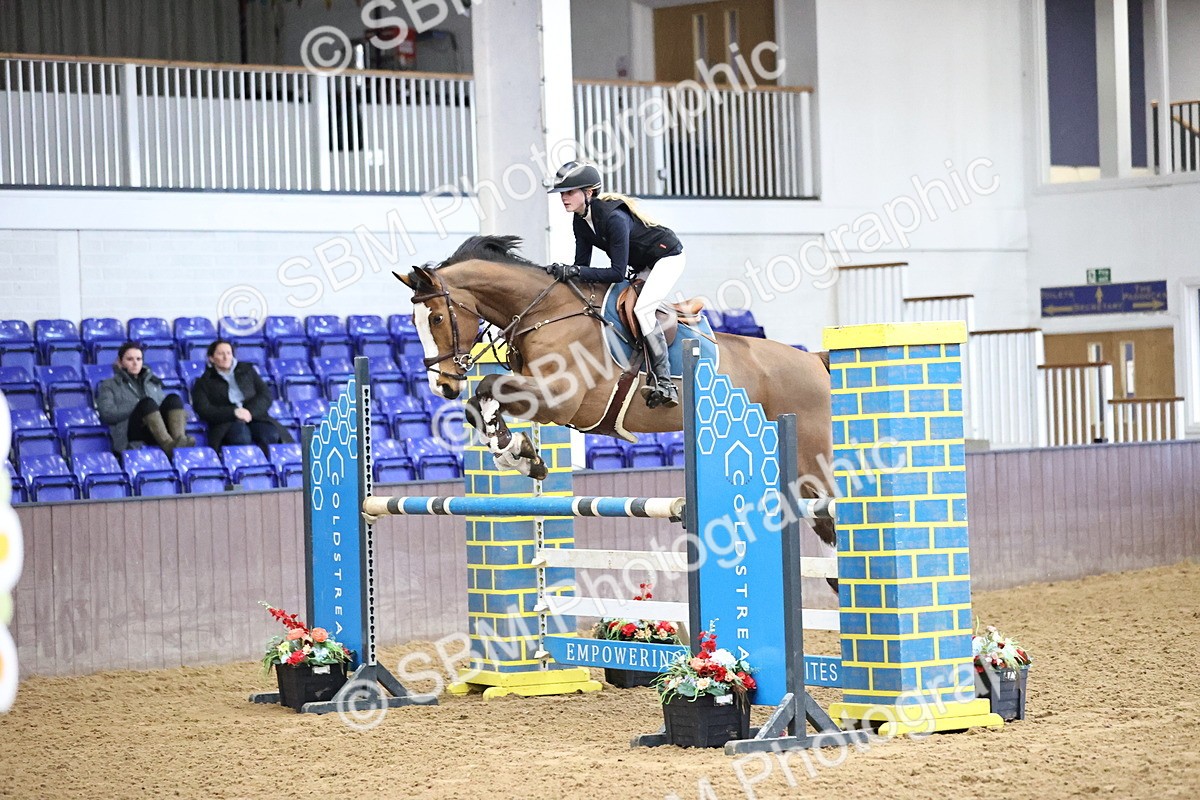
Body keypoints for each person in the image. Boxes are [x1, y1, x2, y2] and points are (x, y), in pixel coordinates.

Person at [546, 160, 684, 408]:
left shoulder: (614, 218)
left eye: (569, 192)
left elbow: (617, 272)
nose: (563, 198)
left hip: (667, 258)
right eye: (562, 193)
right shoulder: (580, 221)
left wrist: (574, 270)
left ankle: (666, 383)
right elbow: (582, 266)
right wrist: (562, 275)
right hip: (642, 265)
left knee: (643, 310)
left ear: (588, 193)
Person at [191, 339, 292, 453]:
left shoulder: (247, 371)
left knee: (271, 434)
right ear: (211, 358)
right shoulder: (204, 382)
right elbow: (203, 409)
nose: (226, 357)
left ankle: (269, 469)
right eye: (220, 354)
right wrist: (233, 412)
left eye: (229, 353)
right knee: (241, 437)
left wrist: (249, 412)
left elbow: (265, 395)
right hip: (226, 423)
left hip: (255, 416)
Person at [96, 342, 194, 457]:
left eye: (139, 359)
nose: (135, 363)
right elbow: (106, 414)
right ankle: (169, 446)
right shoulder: (109, 385)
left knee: (173, 398)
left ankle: (179, 441)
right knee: (147, 403)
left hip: (155, 429)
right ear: (120, 362)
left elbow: (162, 407)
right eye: (130, 359)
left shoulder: (152, 383)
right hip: (130, 432)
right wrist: (137, 407)